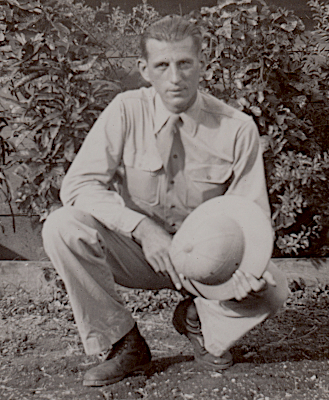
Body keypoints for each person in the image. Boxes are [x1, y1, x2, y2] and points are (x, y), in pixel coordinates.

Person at [42, 15, 289, 387]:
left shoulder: (237, 128)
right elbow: (78, 186)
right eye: (162, 65)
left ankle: (198, 318)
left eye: (185, 63)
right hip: (142, 254)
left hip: (209, 265)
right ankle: (124, 344)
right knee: (63, 226)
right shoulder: (125, 111)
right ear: (145, 70)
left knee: (271, 292)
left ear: (202, 64)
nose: (175, 77)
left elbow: (250, 217)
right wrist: (141, 228)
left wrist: (243, 274)